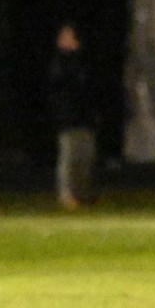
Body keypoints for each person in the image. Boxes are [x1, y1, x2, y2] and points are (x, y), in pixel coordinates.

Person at [49, 21, 97, 210]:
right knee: (68, 159)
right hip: (68, 119)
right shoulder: (59, 62)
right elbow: (63, 85)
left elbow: (90, 83)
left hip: (85, 118)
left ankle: (83, 194)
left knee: (85, 159)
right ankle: (67, 196)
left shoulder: (83, 59)